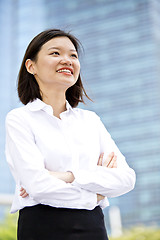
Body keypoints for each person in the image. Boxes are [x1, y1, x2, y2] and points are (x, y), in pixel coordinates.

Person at [5, 29, 136, 240]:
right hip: (41, 228)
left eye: (73, 55)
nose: (67, 60)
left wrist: (68, 176)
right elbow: (38, 186)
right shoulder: (20, 119)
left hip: (93, 228)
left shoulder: (90, 121)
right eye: (56, 53)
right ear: (31, 66)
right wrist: (95, 194)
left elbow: (127, 179)